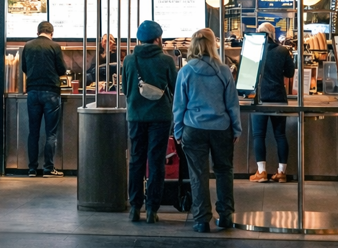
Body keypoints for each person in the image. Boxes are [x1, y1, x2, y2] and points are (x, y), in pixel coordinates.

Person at [172, 28, 241, 233]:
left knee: (198, 174)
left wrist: (178, 131)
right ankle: (226, 216)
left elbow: (179, 105)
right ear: (213, 45)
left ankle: (202, 220)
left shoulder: (186, 71)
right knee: (224, 171)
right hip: (221, 128)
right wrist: (236, 128)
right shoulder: (224, 70)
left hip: (193, 128)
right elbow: (232, 104)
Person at [122, 21, 177, 224]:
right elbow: (175, 88)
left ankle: (135, 207)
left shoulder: (129, 60)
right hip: (160, 117)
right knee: (156, 162)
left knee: (136, 161)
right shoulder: (166, 60)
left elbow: (125, 89)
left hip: (136, 116)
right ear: (158, 39)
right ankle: (152, 209)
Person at [249, 22, 295, 183]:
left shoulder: (255, 51)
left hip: (260, 98)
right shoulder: (283, 51)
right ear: (273, 34)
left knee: (258, 135)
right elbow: (290, 72)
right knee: (280, 135)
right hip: (278, 97)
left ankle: (261, 172)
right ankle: (281, 172)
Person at [21, 21, 66, 178]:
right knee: (50, 133)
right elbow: (62, 69)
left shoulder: (28, 46)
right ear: (51, 33)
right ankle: (48, 168)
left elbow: (24, 68)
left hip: (32, 92)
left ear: (37, 32)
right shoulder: (55, 46)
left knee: (33, 132)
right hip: (51, 93)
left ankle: (32, 169)